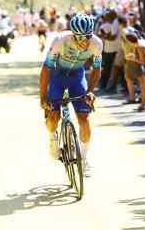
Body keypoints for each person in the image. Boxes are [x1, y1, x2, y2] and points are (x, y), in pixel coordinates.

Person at [39, 14, 103, 174]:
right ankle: (53, 138)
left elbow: (96, 69)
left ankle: (84, 158)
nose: (84, 42)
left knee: (84, 118)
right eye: (80, 38)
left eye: (87, 37)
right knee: (53, 117)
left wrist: (90, 91)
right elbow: (46, 69)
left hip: (77, 77)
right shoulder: (60, 41)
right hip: (57, 76)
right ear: (73, 34)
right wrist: (42, 97)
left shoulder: (96, 44)